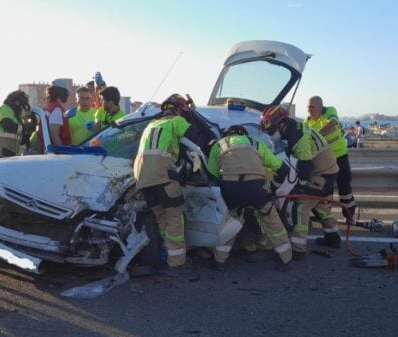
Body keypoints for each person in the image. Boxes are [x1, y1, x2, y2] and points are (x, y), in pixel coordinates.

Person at [206, 125, 292, 271]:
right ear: (244, 134)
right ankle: (285, 258)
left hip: (230, 188)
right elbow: (283, 169)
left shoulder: (219, 145)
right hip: (255, 188)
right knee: (271, 219)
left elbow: (212, 176)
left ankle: (219, 260)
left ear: (227, 134)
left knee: (229, 222)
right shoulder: (256, 143)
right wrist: (271, 188)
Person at [261, 106, 339, 258]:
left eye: (271, 130)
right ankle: (333, 237)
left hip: (321, 173)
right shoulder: (293, 129)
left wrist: (301, 186)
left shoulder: (297, 136)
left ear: (281, 123)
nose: (270, 134)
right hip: (327, 170)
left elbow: (305, 165)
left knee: (301, 205)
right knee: (319, 203)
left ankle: (298, 248)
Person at [133, 94, 200, 273]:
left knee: (160, 215)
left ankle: (170, 252)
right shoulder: (176, 121)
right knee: (174, 216)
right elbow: (193, 135)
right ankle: (177, 263)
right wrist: (192, 115)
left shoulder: (151, 125)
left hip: (141, 175)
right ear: (179, 110)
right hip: (162, 173)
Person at [305, 96, 357, 228]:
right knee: (325, 191)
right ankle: (327, 221)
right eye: (307, 107)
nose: (308, 110)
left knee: (345, 190)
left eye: (311, 107)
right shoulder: (307, 122)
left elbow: (332, 123)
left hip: (340, 156)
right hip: (323, 161)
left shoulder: (329, 111)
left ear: (320, 107)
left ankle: (349, 217)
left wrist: (315, 135)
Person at [0, 90, 30, 159]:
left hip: (8, 153)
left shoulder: (16, 117)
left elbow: (20, 140)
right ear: (17, 102)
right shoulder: (4, 109)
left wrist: (26, 133)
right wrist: (24, 128)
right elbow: (7, 125)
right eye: (22, 105)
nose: (23, 108)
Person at [39, 85, 72, 150]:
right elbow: (54, 133)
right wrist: (61, 151)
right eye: (66, 93)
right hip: (55, 151)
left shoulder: (49, 107)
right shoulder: (56, 109)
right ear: (62, 93)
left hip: (47, 149)